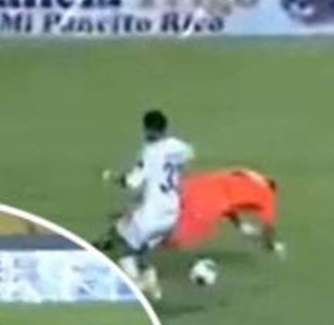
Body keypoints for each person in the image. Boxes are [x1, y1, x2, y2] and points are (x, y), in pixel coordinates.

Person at [98, 110, 195, 301]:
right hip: (172, 212)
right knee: (139, 246)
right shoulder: (177, 146)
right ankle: (151, 283)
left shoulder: (149, 152)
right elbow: (188, 155)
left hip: (153, 213)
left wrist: (112, 176)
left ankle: (136, 286)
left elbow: (132, 182)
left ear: (147, 129)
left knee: (122, 244)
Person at [167, 167, 285, 257]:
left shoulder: (247, 175)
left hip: (204, 182)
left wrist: (239, 225)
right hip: (211, 199)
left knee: (175, 205)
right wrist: (270, 244)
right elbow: (268, 226)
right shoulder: (267, 195)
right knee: (189, 228)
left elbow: (228, 205)